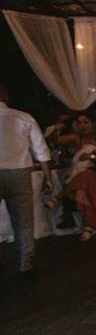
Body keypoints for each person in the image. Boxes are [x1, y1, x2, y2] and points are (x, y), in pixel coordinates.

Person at [0, 86, 53, 282]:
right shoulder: (23, 117)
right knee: (23, 221)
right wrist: (47, 177)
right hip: (20, 172)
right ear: (5, 97)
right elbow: (41, 149)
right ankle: (26, 265)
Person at [45, 112, 96, 241]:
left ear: (93, 123)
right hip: (80, 174)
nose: (82, 125)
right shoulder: (78, 138)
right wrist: (57, 129)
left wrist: (91, 157)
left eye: (85, 122)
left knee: (88, 176)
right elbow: (56, 140)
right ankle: (90, 226)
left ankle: (58, 198)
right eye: (79, 123)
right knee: (82, 186)